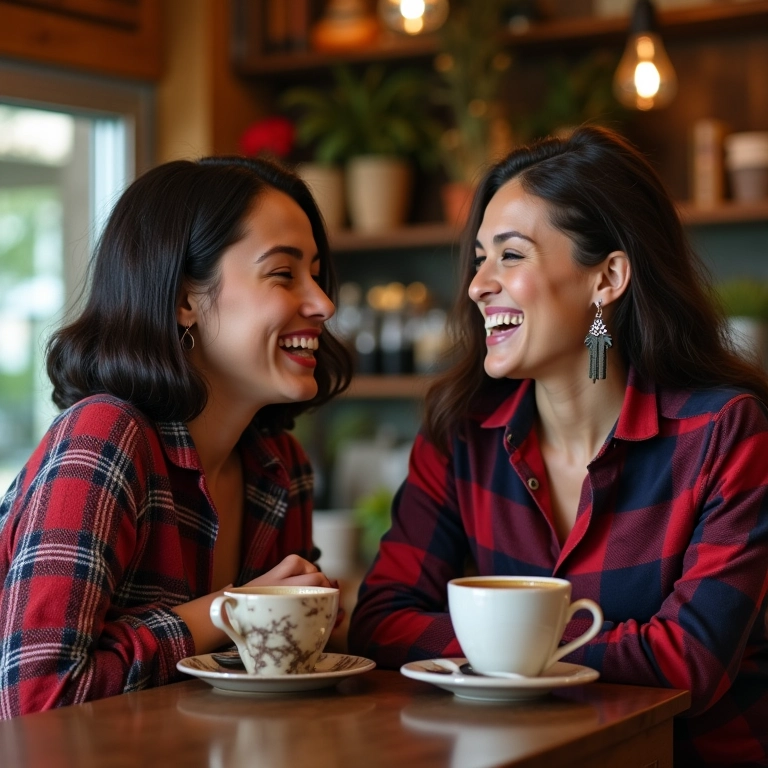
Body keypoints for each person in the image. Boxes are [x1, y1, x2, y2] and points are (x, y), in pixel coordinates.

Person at [348, 126, 768, 767]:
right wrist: (580, 647)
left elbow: (691, 659)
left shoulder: (726, 434)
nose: (477, 285)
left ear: (608, 278)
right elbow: (379, 621)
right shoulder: (462, 434)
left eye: (511, 256)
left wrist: (489, 646)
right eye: (480, 257)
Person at [0, 155, 353, 717]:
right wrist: (227, 612)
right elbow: (37, 700)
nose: (324, 304)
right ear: (186, 298)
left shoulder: (281, 467)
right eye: (284, 274)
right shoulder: (104, 439)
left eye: (316, 273)